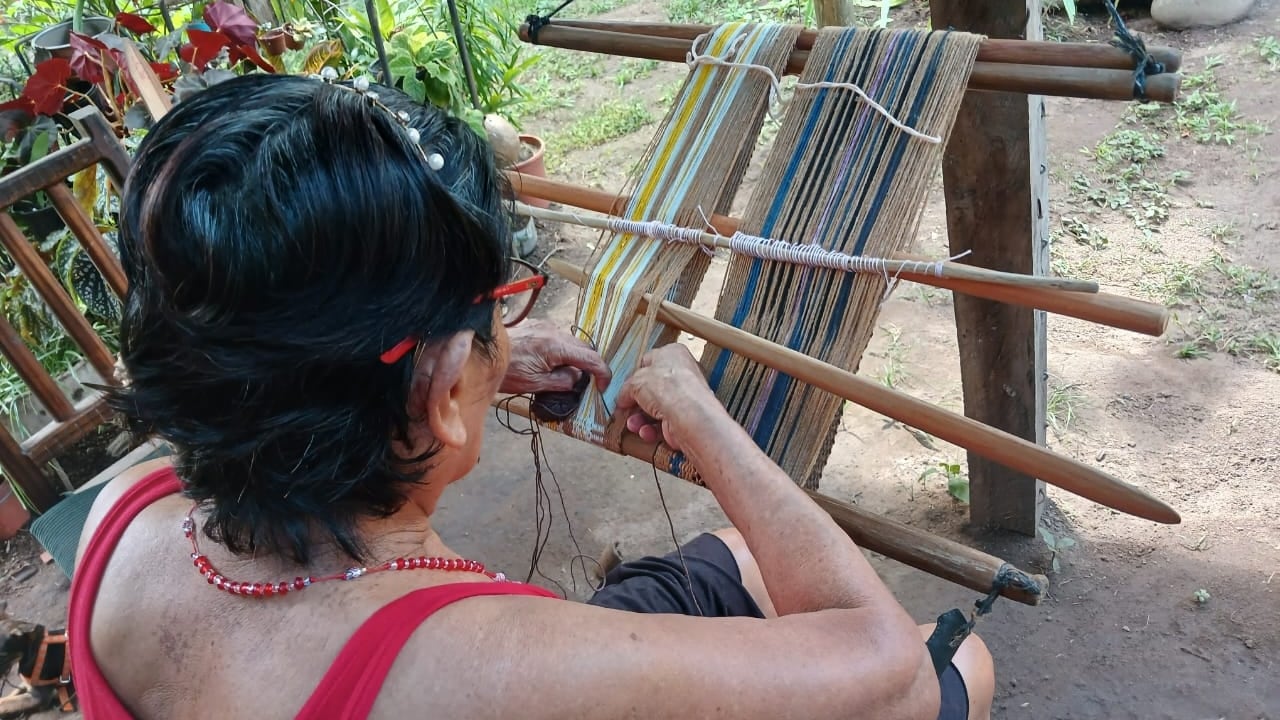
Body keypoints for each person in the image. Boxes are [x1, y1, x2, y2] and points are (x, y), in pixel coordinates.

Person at [69, 73, 994, 720]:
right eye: (500, 311)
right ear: (434, 385)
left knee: (739, 559)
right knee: (958, 661)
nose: (508, 330)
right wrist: (709, 426)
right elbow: (894, 672)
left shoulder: (128, 514)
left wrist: (475, 364)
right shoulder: (489, 670)